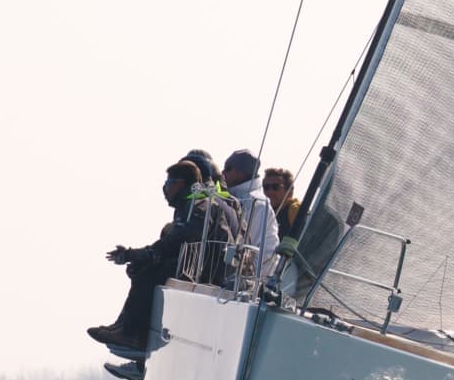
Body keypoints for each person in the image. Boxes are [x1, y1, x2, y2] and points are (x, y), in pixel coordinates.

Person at [88, 160, 235, 353]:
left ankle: (133, 334)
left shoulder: (198, 206)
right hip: (195, 265)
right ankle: (124, 325)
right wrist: (137, 257)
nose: (164, 189)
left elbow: (176, 242)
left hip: (208, 272)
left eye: (168, 183)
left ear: (181, 184)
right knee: (142, 269)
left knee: (149, 274)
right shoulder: (190, 204)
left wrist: (134, 254)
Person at [223, 149, 279, 279]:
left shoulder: (257, 203)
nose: (223, 172)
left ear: (240, 172)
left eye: (228, 168)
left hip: (252, 279)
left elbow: (248, 242)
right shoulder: (236, 197)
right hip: (235, 274)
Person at [263, 167, 300, 237]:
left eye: (275, 187)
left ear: (289, 191)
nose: (270, 192)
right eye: (266, 187)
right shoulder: (263, 212)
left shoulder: (295, 209)